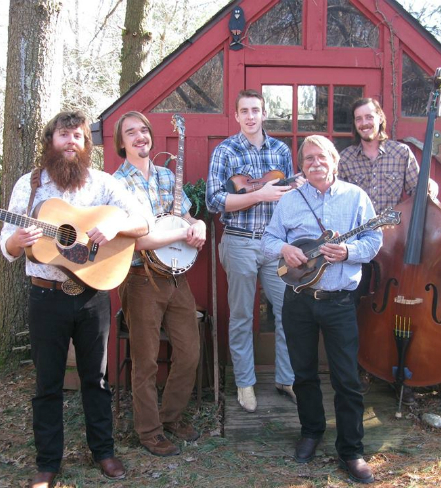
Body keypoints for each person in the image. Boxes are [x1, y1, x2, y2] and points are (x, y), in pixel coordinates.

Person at [0, 111, 153, 488]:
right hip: (46, 296)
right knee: (47, 383)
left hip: (92, 295)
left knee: (96, 380)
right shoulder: (30, 186)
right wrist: (16, 242)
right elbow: (7, 243)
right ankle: (48, 463)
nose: (71, 141)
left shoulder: (102, 184)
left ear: (87, 145)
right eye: (64, 134)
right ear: (50, 140)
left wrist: (115, 224)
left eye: (79, 137)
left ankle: (103, 451)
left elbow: (144, 221)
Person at [262, 135, 382, 484]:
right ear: (302, 165)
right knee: (303, 374)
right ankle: (311, 432)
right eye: (308, 158)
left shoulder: (356, 197)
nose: (315, 163)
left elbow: (374, 240)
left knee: (346, 378)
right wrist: (285, 249)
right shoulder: (291, 200)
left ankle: (352, 450)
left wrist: (347, 253)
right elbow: (269, 240)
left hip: (339, 302)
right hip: (298, 299)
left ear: (334, 160)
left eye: (321, 157)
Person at [112, 111, 206, 456]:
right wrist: (181, 232)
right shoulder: (116, 185)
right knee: (146, 361)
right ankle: (149, 431)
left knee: (189, 352)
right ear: (122, 143)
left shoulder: (167, 177)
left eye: (144, 131)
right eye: (130, 132)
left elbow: (185, 215)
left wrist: (198, 226)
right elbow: (131, 240)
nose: (140, 137)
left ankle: (170, 417)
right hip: (140, 279)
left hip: (177, 277)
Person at [206, 89, 300, 412]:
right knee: (243, 315)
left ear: (263, 113)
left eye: (255, 110)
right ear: (236, 115)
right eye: (244, 110)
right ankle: (245, 383)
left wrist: (294, 190)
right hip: (239, 239)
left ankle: (286, 378)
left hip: (274, 243)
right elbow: (214, 200)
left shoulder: (281, 150)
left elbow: (289, 197)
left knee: (287, 311)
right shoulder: (225, 150)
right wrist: (259, 196)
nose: (250, 116)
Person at [339, 97, 437, 405]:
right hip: (358, 244)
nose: (365, 123)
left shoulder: (401, 153)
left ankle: (399, 371)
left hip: (394, 248)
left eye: (369, 117)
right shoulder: (345, 158)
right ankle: (358, 369)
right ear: (355, 125)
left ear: (380, 118)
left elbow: (418, 190)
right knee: (354, 306)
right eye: (359, 119)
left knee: (397, 308)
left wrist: (429, 186)